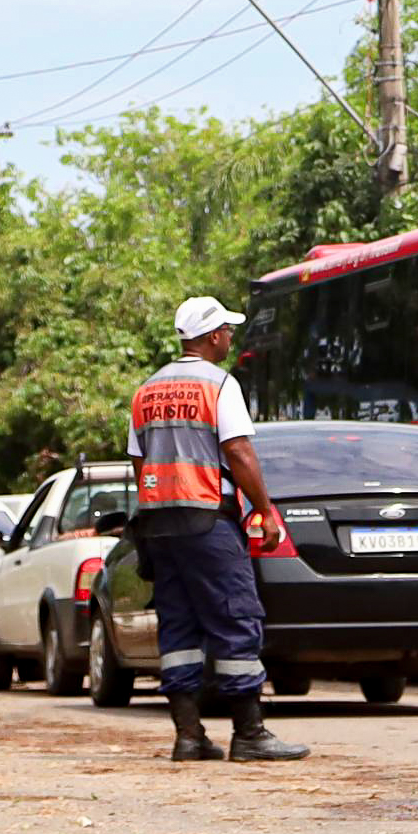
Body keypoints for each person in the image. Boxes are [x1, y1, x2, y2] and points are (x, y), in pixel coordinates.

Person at [128, 294, 303, 764]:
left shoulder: (146, 390)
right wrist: (265, 510)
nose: (229, 336)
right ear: (210, 336)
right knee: (235, 616)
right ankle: (249, 733)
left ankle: (189, 736)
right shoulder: (219, 385)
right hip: (206, 517)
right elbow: (240, 452)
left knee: (178, 623)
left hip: (158, 523)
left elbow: (139, 460)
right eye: (225, 330)